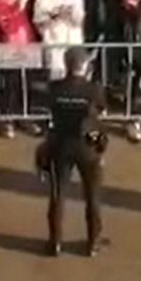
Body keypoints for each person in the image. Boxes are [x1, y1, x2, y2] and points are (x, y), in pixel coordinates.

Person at [37, 48, 106, 257]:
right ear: (84, 66)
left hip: (60, 144)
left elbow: (48, 113)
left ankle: (55, 242)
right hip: (87, 145)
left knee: (58, 195)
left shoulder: (54, 88)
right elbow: (99, 115)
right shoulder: (94, 90)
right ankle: (93, 241)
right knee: (92, 195)